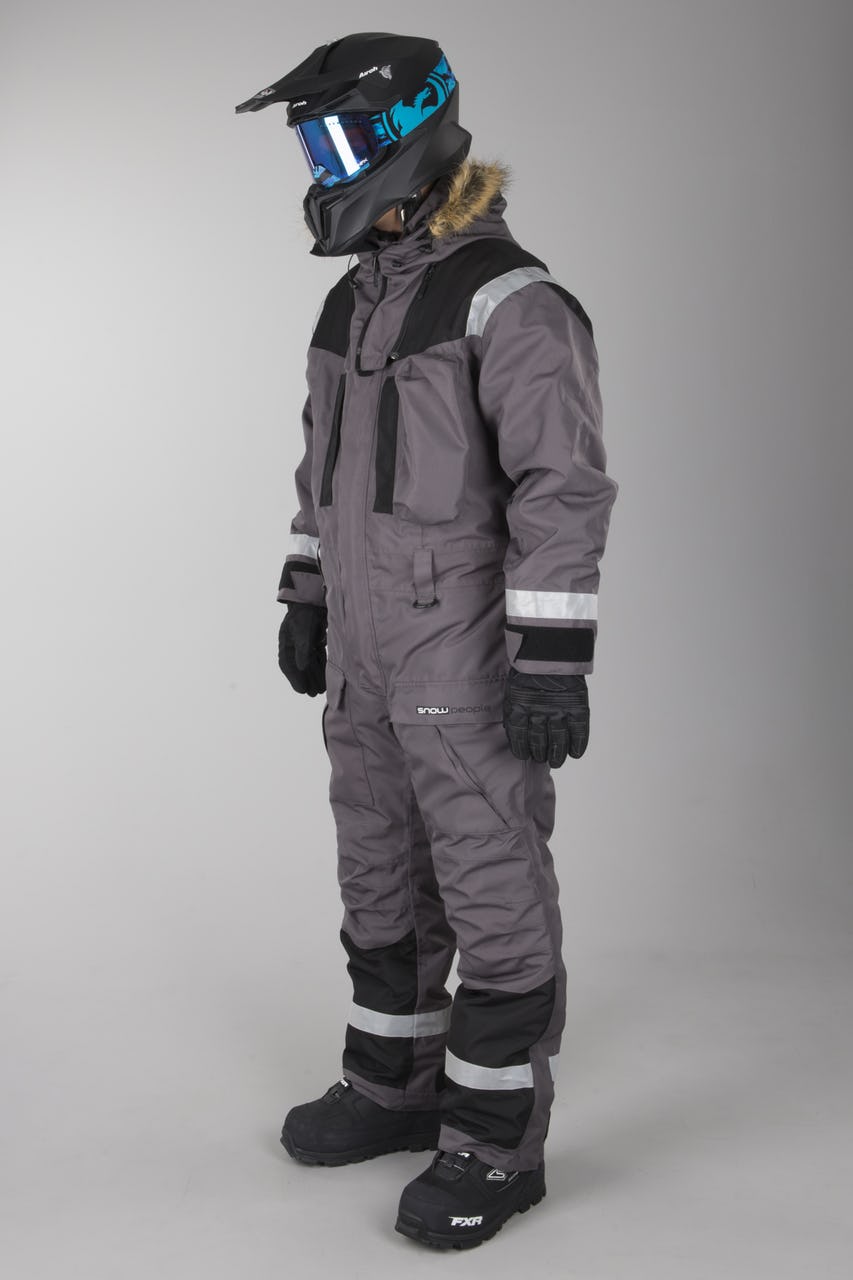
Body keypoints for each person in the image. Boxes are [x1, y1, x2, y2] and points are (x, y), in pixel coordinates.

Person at [235, 30, 618, 1250]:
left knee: (490, 883)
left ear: (416, 133)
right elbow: (322, 473)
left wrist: (550, 661)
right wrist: (306, 591)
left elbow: (564, 488)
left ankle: (495, 1142)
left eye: (343, 140)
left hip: (461, 655)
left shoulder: (510, 300)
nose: (326, 166)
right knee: (379, 871)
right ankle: (391, 1082)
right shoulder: (349, 303)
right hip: (366, 656)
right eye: (314, 147)